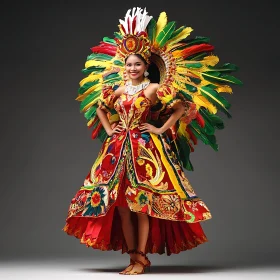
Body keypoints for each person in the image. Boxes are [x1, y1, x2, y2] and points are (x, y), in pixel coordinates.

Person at [63, 7, 242, 275]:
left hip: (145, 151)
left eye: (137, 64)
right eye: (128, 65)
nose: (132, 68)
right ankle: (134, 257)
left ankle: (141, 258)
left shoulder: (154, 89)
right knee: (122, 208)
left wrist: (159, 130)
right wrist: (109, 128)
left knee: (142, 206)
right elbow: (100, 107)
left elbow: (181, 107)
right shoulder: (121, 89)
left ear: (147, 67)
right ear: (124, 67)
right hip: (117, 149)